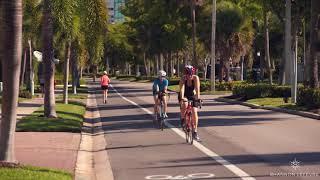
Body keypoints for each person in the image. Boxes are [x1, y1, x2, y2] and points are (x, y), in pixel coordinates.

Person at [179, 65, 201, 141]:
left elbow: (197, 90)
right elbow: (181, 89)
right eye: (188, 74)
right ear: (185, 74)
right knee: (185, 104)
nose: (189, 76)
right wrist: (182, 98)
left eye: (191, 74)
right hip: (184, 95)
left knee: (194, 112)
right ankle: (182, 119)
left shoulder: (196, 78)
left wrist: (198, 99)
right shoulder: (183, 78)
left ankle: (195, 131)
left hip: (192, 95)